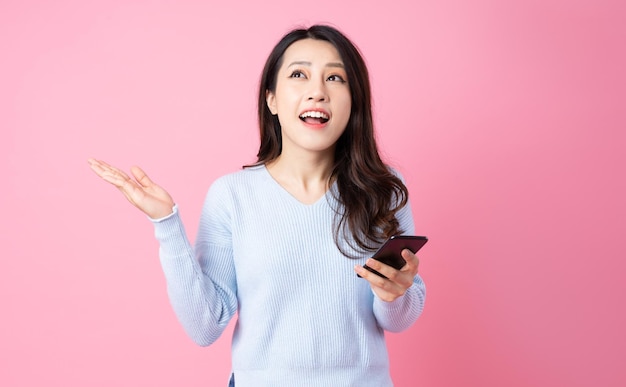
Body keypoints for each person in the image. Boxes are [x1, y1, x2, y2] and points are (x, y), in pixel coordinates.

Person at [88, 24, 426, 387]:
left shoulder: (382, 189)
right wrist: (166, 224)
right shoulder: (232, 196)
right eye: (299, 74)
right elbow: (205, 325)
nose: (318, 91)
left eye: (336, 78)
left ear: (354, 100)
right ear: (272, 100)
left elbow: (399, 319)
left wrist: (396, 293)